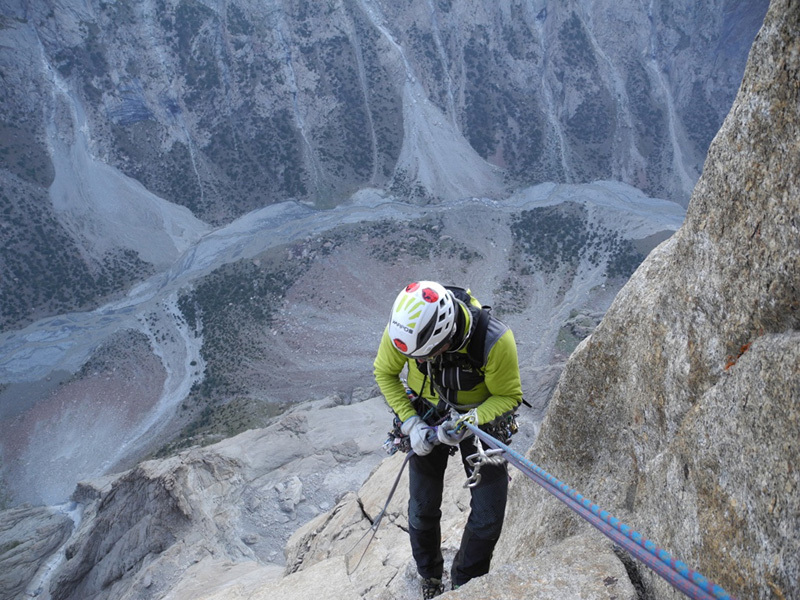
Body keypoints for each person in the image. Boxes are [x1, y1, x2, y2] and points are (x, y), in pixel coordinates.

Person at [373, 280, 523, 598]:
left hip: (480, 416)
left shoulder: (494, 340)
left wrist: (472, 421)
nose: (422, 362)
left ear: (446, 336)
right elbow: (384, 372)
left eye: (427, 356)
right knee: (422, 507)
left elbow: (509, 396)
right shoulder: (405, 329)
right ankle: (429, 576)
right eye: (417, 359)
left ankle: (465, 583)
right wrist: (411, 423)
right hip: (426, 413)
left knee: (488, 514)